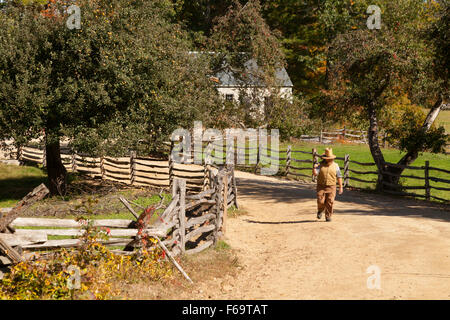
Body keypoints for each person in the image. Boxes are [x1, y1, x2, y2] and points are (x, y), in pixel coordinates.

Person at [312, 148, 343, 222]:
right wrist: (314, 167)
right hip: (321, 185)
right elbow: (315, 174)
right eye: (328, 158)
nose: (330, 160)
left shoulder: (336, 166)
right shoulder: (320, 165)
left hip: (332, 186)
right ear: (325, 159)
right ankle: (320, 210)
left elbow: (339, 176)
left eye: (331, 158)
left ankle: (328, 216)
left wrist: (341, 187)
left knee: (330, 201)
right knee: (320, 200)